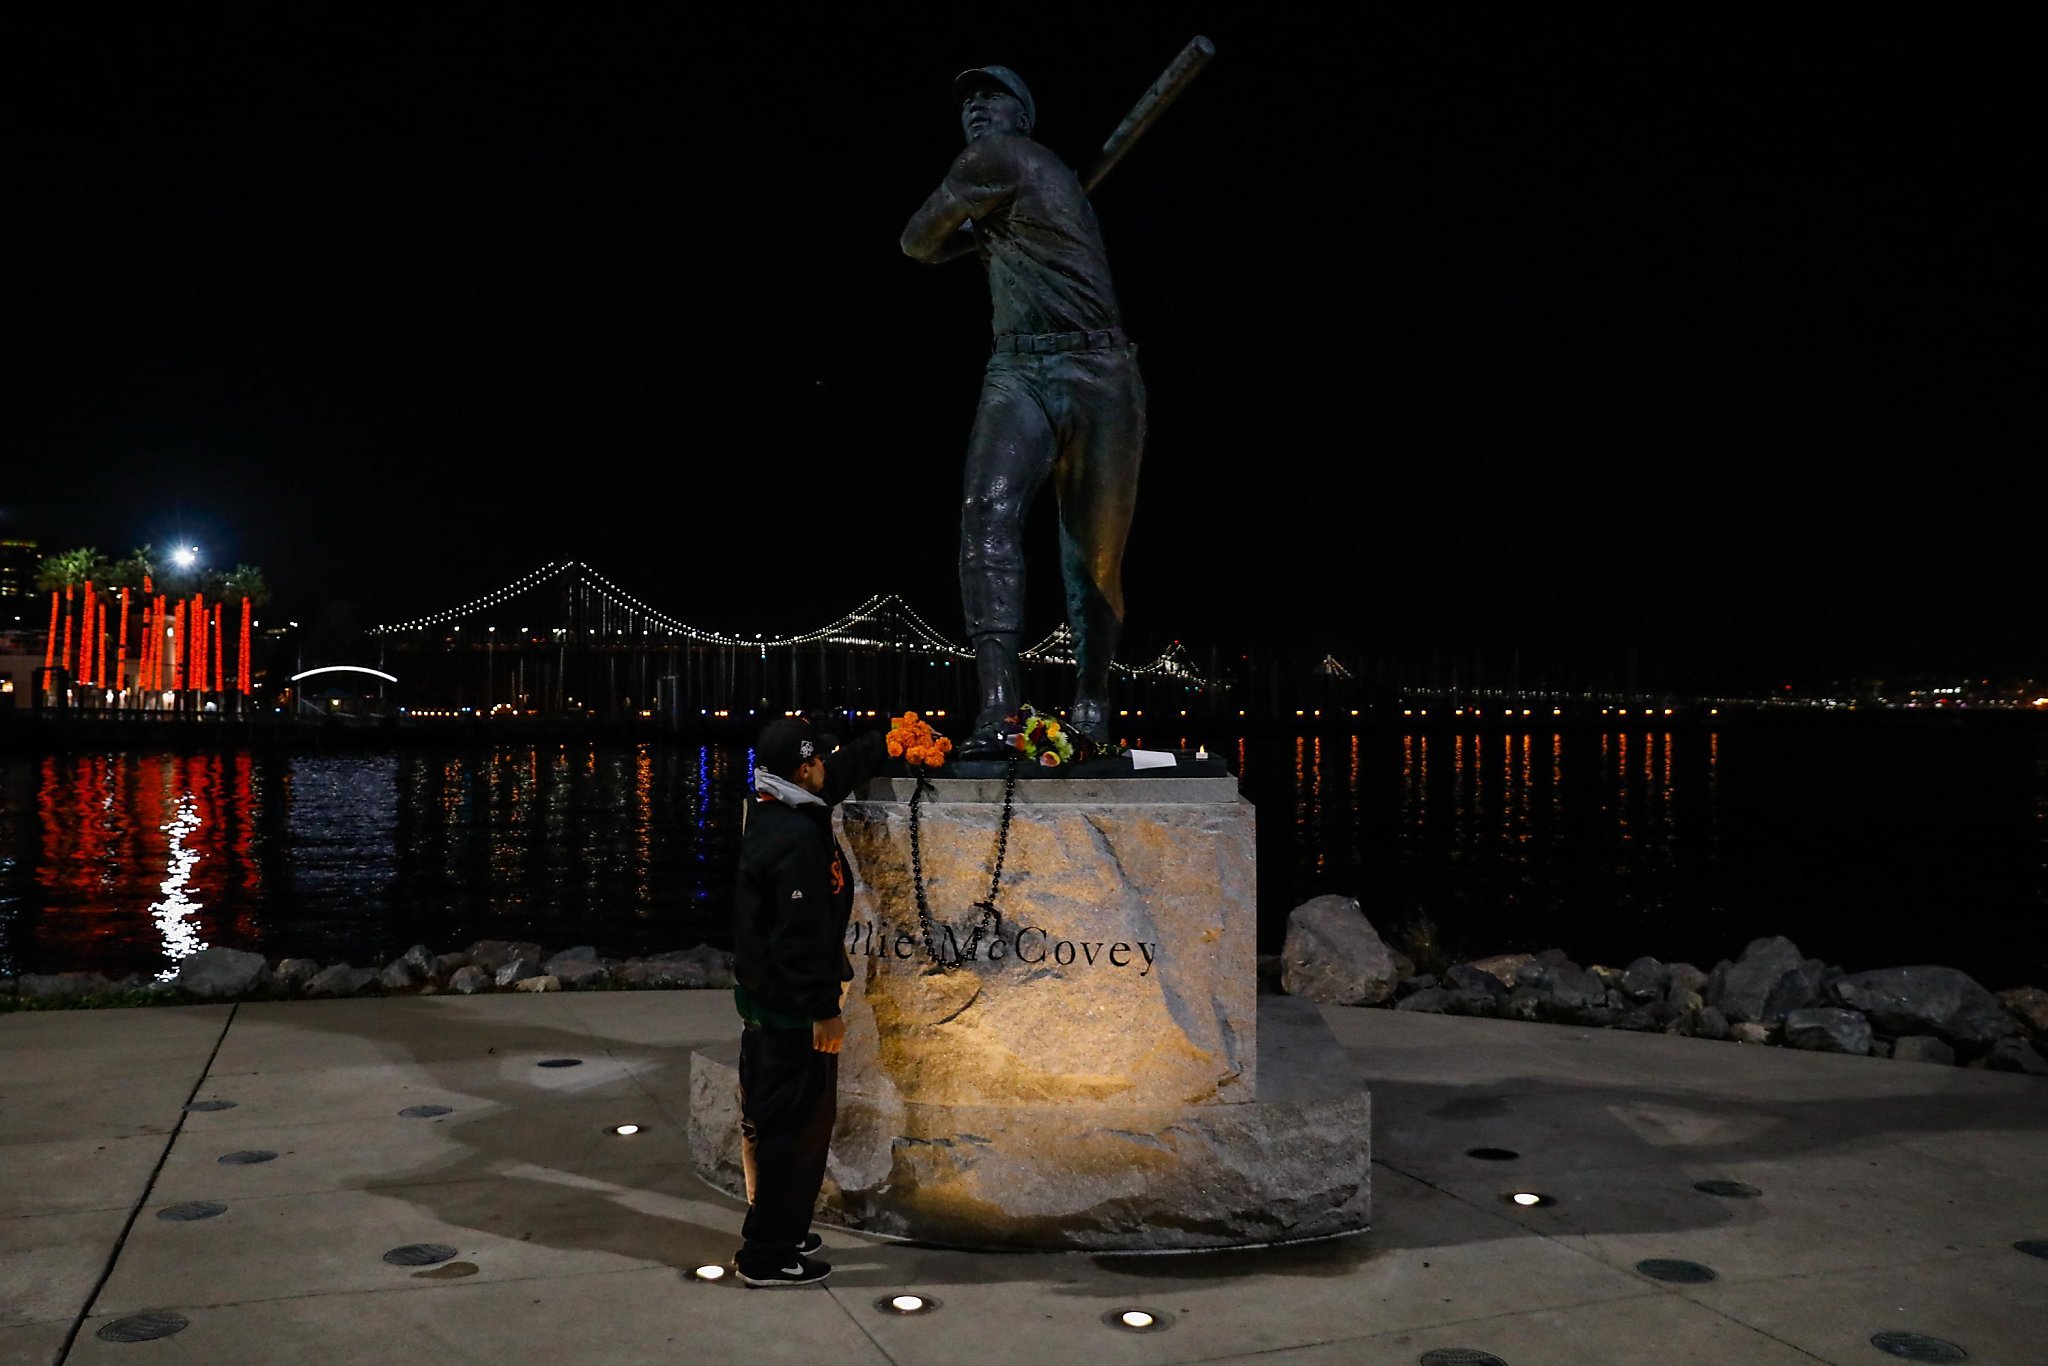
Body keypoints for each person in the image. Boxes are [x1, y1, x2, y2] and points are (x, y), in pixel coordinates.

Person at [902, 64, 1147, 757]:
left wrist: (968, 233)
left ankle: (1092, 705)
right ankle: (1000, 713)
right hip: (1019, 366)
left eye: (993, 97)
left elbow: (916, 241)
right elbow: (918, 246)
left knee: (1092, 565)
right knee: (986, 513)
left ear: (1023, 117)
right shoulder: (1018, 179)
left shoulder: (998, 160)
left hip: (1100, 371)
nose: (976, 109)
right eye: (967, 102)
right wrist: (983, 231)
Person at [729, 714, 884, 1287]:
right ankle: (767, 1255)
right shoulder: (792, 839)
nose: (826, 764)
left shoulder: (782, 806)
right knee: (797, 1133)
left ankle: (785, 1228)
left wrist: (885, 741)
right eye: (819, 757)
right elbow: (799, 937)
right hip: (790, 1013)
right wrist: (823, 1008)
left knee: (787, 1128)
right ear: (802, 768)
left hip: (776, 1006)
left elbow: (836, 775)